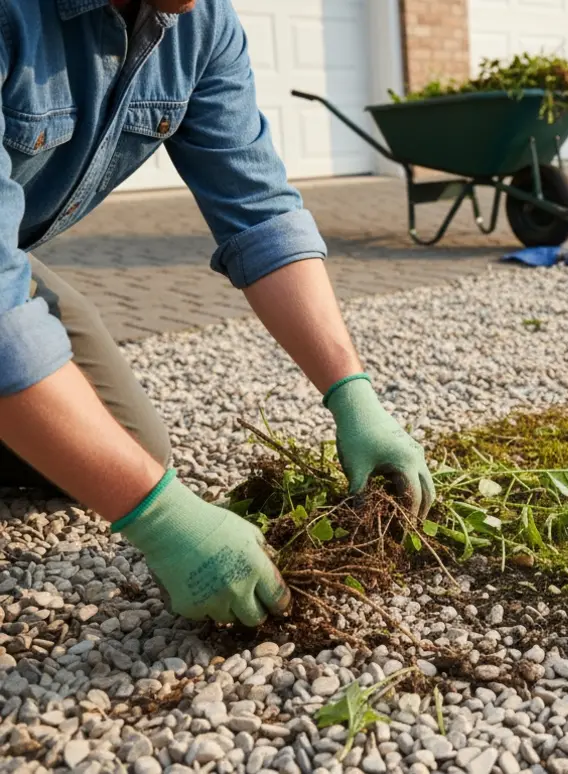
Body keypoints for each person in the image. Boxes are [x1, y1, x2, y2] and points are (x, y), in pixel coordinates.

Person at [0, 0, 434, 627]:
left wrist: (353, 396)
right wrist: (160, 517)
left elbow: (259, 215)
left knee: (127, 448)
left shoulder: (198, 25)